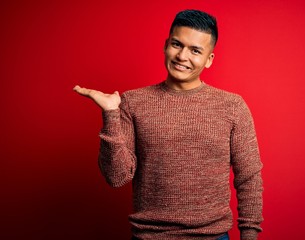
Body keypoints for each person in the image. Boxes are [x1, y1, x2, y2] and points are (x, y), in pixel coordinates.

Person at [74, 9, 263, 240]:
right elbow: (117, 177)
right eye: (177, 44)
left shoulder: (232, 106)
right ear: (166, 45)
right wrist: (111, 114)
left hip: (212, 237)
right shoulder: (133, 102)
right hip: (149, 236)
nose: (182, 56)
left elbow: (249, 178)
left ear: (209, 59)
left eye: (195, 50)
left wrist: (250, 235)